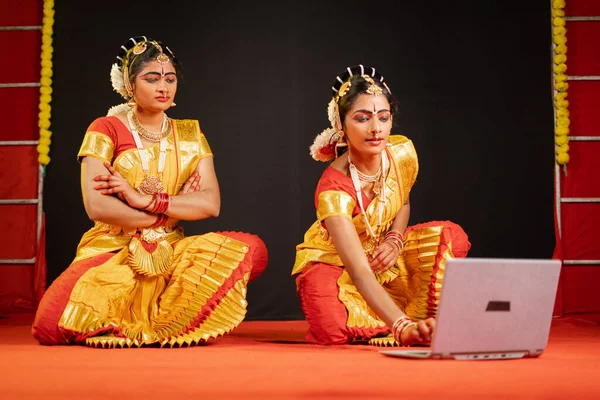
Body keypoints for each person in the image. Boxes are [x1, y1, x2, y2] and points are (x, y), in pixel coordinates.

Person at [32, 36, 268, 348]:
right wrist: (174, 207)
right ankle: (158, 322)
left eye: (170, 79)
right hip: (113, 249)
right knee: (50, 326)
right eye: (151, 78)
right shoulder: (105, 128)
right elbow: (97, 207)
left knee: (251, 249)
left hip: (172, 249)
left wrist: (141, 199)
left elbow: (210, 204)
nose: (163, 87)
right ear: (129, 86)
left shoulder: (189, 134)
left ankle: (156, 320)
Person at [292, 65, 471, 346]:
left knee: (450, 237)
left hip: (382, 255)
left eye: (383, 118)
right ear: (341, 125)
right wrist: (403, 329)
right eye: (362, 119)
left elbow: (403, 200)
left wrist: (395, 239)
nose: (376, 129)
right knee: (332, 327)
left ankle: (401, 315)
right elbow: (359, 270)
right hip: (339, 264)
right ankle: (398, 320)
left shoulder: (401, 152)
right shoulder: (333, 189)